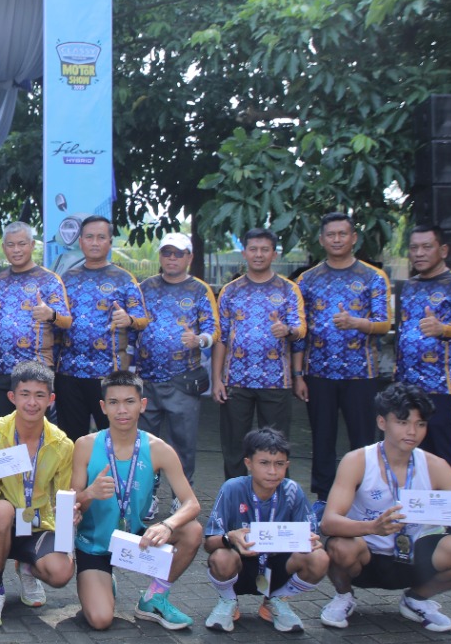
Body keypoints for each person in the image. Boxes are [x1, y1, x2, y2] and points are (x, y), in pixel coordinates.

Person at [319, 382, 451, 632]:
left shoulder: (436, 466)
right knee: (339, 546)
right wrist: (373, 527)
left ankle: (417, 599)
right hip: (366, 555)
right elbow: (329, 522)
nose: (412, 431)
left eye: (420, 424)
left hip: (416, 558)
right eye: (402, 422)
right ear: (382, 422)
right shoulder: (357, 461)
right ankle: (344, 596)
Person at [72, 369, 203, 631]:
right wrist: (89, 494)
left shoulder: (158, 449)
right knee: (100, 620)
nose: (122, 410)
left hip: (136, 539)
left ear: (142, 405)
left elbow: (192, 503)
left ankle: (154, 598)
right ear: (103, 407)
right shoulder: (85, 445)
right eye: (114, 402)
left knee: (192, 531)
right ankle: (104, 582)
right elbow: (71, 504)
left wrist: (167, 525)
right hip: (94, 545)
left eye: (129, 401)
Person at [294, 212, 392, 503]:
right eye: (331, 234)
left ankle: (367, 495)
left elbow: (384, 324)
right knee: (322, 437)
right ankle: (324, 497)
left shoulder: (373, 277)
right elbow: (299, 331)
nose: (336, 239)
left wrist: (357, 323)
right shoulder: (307, 279)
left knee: (363, 439)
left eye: (342, 234)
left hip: (361, 373)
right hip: (318, 372)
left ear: (353, 238)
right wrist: (298, 375)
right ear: (322, 240)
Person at [0, 362, 76, 626]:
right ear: (12, 397)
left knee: (62, 573)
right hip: (2, 525)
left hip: (38, 525)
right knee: (1, 509)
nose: (32, 402)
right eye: (25, 394)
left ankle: (27, 566)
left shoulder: (62, 444)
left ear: (51, 399)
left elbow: (63, 495)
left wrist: (69, 526)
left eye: (40, 395)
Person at [201, 427, 327, 634]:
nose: (272, 471)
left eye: (279, 464)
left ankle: (277, 600)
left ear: (287, 465)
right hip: (241, 566)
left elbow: (311, 536)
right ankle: (228, 600)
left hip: (278, 567)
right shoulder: (232, 488)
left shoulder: (293, 490)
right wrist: (230, 537)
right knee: (221, 557)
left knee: (319, 558)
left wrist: (311, 541)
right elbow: (209, 544)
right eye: (264, 463)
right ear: (248, 463)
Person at [212, 228, 306, 478]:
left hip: (276, 380)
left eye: (265, 249)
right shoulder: (230, 290)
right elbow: (221, 337)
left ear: (274, 254)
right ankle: (234, 494)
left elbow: (300, 330)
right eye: (253, 249)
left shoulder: (288, 289)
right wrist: (217, 379)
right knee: (234, 445)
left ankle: (276, 495)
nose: (258, 254)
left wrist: (286, 330)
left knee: (276, 446)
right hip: (235, 380)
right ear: (244, 253)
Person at [394, 224, 451, 497]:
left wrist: (442, 329)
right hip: (409, 388)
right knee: (415, 455)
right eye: (414, 248)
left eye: (426, 247)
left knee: (450, 453)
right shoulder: (410, 286)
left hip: (445, 386)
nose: (419, 253)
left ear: (443, 250)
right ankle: (424, 515)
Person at [135, 233, 218, 488]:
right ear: (160, 256)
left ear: (189, 257)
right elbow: (133, 325)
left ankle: (181, 496)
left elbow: (213, 329)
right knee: (145, 444)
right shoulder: (145, 287)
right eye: (167, 252)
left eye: (178, 253)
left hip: (183, 380)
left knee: (182, 443)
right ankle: (148, 494)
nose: (172, 258)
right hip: (147, 380)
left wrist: (199, 340)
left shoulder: (200, 289)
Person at [55, 217, 146, 441]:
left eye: (101, 237)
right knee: (72, 440)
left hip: (109, 374)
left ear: (110, 242)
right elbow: (56, 322)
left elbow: (142, 319)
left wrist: (128, 319)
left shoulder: (124, 279)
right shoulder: (66, 279)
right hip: (69, 373)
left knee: (114, 438)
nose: (95, 242)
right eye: (89, 237)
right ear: (81, 242)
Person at [0, 221, 71, 421]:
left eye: (22, 244)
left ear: (32, 245)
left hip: (36, 370)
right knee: (1, 430)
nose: (16, 250)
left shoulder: (50, 280)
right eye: (11, 245)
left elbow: (67, 321)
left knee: (35, 431)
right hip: (0, 369)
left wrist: (51, 315)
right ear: (4, 248)